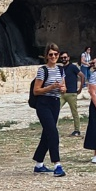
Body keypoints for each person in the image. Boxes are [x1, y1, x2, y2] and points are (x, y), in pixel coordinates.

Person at [30, 44, 66, 177]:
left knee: (47, 133)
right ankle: (57, 164)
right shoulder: (42, 70)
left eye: (56, 54)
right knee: (53, 132)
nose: (53, 57)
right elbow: (36, 90)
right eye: (51, 54)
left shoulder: (61, 70)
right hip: (43, 103)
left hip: (55, 103)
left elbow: (64, 87)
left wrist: (62, 89)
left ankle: (39, 164)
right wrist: (51, 87)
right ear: (46, 56)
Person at [58, 52, 85, 136]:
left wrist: (80, 88)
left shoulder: (73, 67)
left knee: (74, 112)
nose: (63, 59)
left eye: (65, 57)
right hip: (62, 93)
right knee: (55, 110)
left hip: (72, 93)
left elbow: (82, 76)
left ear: (68, 58)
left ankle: (77, 130)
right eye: (62, 58)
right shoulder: (61, 68)